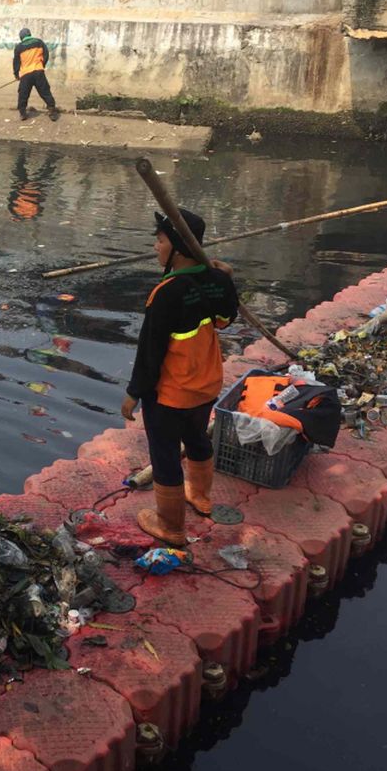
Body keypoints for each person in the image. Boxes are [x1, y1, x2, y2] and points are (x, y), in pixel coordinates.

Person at [120, 210, 239, 547]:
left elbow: (150, 352)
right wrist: (227, 280)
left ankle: (171, 527)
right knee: (198, 438)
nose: (155, 247)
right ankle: (200, 497)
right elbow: (226, 319)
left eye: (160, 241)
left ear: (178, 250)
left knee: (165, 454)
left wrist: (133, 393)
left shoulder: (167, 292)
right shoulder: (218, 281)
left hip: (171, 393)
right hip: (206, 385)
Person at [13, 28, 58, 121]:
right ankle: (52, 111)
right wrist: (42, 64)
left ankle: (23, 113)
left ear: (21, 37)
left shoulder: (19, 47)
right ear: (30, 34)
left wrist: (16, 74)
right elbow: (46, 54)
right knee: (45, 92)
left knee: (23, 94)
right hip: (38, 72)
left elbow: (16, 62)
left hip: (26, 74)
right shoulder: (39, 42)